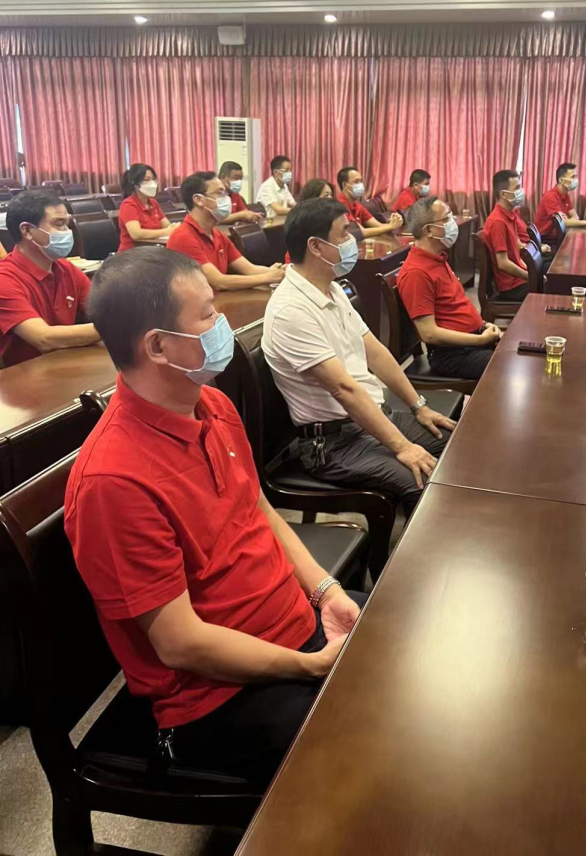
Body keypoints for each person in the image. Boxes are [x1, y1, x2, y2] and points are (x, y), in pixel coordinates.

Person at [64, 248, 365, 786]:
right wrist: (313, 666)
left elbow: (257, 507)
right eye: (207, 315)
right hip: (215, 696)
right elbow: (180, 643)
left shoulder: (212, 404)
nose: (222, 324)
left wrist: (326, 592)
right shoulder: (114, 480)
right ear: (158, 345)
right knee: (379, 753)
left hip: (294, 623)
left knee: (408, 646)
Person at [262, 199, 455, 514]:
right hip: (333, 444)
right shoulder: (290, 310)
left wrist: (419, 406)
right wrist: (403, 447)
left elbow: (375, 352)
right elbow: (344, 389)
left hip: (370, 418)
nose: (352, 240)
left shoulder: (332, 289)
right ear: (315, 246)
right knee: (425, 484)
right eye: (343, 232)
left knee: (454, 445)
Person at [398, 197, 501, 381]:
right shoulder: (416, 273)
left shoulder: (437, 258)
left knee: (522, 353)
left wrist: (483, 325)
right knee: (509, 369)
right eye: (446, 219)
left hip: (471, 342)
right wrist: (481, 340)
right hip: (452, 354)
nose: (453, 223)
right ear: (428, 230)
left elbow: (455, 306)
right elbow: (429, 334)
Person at [0, 189, 100, 366]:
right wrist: (112, 328)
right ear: (27, 230)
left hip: (67, 364)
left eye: (67, 224)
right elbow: (44, 338)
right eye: (58, 224)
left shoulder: (66, 269)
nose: (67, 231)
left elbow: (103, 310)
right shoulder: (5, 279)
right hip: (22, 374)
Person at [168, 172, 284, 291]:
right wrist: (268, 277)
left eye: (225, 193)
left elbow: (250, 269)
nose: (226, 199)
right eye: (219, 193)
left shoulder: (217, 234)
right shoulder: (183, 237)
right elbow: (218, 282)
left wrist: (278, 271)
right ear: (199, 200)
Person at [483, 171, 531, 302]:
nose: (521, 191)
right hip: (511, 287)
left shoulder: (510, 214)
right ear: (504, 194)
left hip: (519, 280)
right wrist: (529, 276)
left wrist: (531, 270)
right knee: (552, 288)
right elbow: (503, 263)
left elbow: (516, 252)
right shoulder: (498, 222)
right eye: (517, 188)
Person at [534, 162, 586, 245]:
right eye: (572, 177)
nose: (575, 180)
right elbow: (562, 222)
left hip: (560, 236)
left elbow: (575, 216)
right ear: (561, 180)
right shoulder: (550, 197)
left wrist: (568, 221)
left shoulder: (565, 195)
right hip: (546, 240)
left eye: (575, 176)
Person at [117, 163, 177, 251]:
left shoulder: (153, 203)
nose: (152, 183)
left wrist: (174, 227)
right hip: (133, 252)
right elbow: (136, 234)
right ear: (135, 184)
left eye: (153, 179)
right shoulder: (129, 205)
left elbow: (166, 225)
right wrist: (166, 232)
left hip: (153, 249)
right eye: (146, 180)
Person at [336, 167, 403, 239]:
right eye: (356, 181)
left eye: (361, 181)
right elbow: (360, 232)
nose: (361, 185)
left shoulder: (357, 205)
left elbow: (379, 226)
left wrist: (394, 222)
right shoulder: (339, 206)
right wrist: (390, 226)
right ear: (345, 185)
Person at [217, 161, 262, 226]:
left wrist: (252, 215)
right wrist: (242, 215)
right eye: (236, 178)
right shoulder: (213, 194)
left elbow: (245, 212)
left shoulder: (234, 193)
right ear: (223, 176)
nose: (239, 182)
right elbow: (218, 219)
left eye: (240, 179)